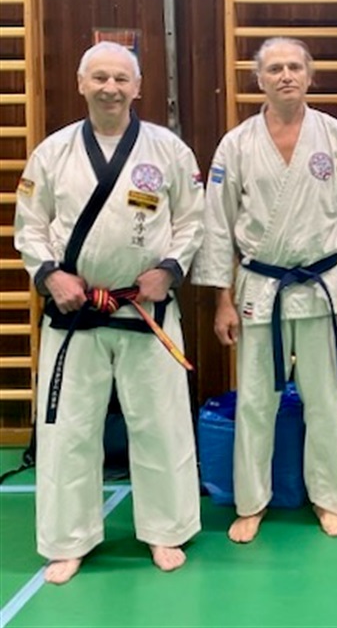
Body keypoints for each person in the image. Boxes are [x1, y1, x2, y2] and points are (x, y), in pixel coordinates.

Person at [14, 42, 204, 584]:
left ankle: (166, 530)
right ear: (82, 84)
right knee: (68, 430)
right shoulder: (52, 152)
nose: (110, 88)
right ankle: (68, 540)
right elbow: (29, 225)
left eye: (121, 78)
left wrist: (169, 269)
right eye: (99, 77)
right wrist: (51, 275)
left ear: (138, 87)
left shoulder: (168, 149)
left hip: (145, 309)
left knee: (161, 423)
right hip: (76, 314)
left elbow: (193, 220)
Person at [192, 37, 337, 543]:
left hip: (322, 285)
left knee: (324, 400)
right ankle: (251, 503)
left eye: (295, 66)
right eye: (274, 68)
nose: (286, 76)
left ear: (309, 75)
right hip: (260, 287)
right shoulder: (236, 144)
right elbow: (218, 224)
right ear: (259, 79)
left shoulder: (334, 135)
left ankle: (329, 499)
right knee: (256, 402)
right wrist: (222, 299)